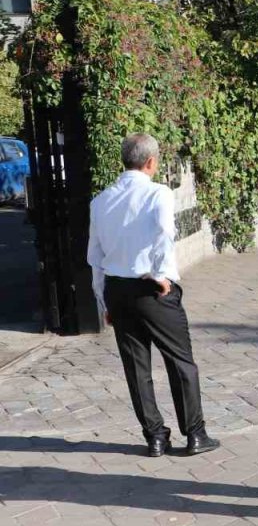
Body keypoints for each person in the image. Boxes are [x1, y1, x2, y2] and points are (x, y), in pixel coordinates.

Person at [87, 133, 219, 458]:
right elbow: (164, 232)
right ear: (150, 162)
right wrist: (161, 275)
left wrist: (103, 301)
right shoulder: (158, 193)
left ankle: (155, 437)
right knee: (179, 360)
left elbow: (95, 255)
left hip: (117, 289)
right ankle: (195, 434)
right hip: (152, 287)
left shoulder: (100, 201)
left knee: (136, 367)